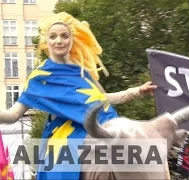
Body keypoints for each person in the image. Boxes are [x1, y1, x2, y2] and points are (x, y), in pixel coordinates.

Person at [0, 12, 157, 179]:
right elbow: (13, 115)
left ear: (71, 40)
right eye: (53, 36)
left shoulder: (83, 72)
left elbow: (104, 99)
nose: (59, 40)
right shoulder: (39, 78)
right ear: (47, 42)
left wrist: (137, 91)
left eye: (64, 36)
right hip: (64, 137)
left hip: (101, 125)